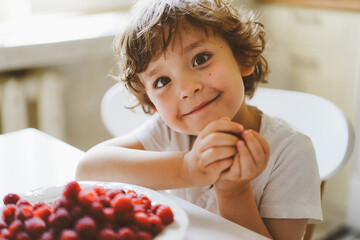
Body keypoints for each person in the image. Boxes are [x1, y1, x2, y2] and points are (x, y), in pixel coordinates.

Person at [76, 0, 323, 239]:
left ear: (243, 57)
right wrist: (187, 169)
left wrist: (233, 193)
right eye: (163, 81)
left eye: (200, 59)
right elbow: (89, 169)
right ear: (153, 105)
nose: (186, 88)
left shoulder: (290, 151)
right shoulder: (169, 132)